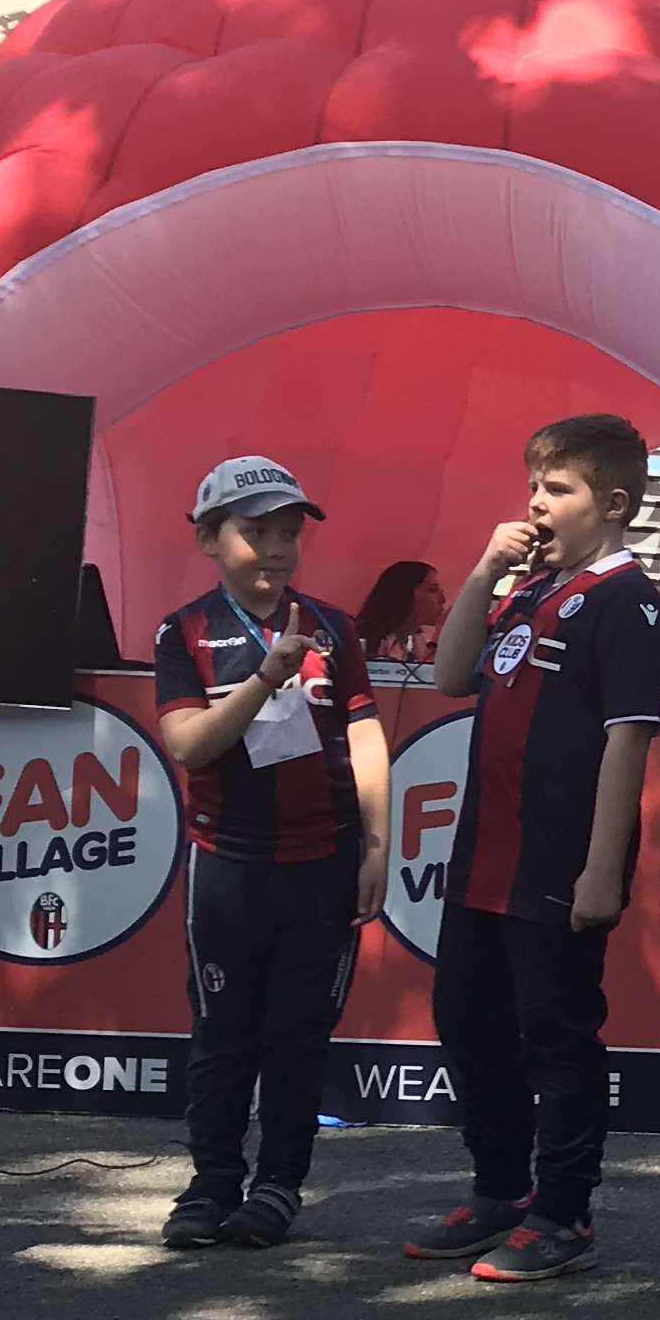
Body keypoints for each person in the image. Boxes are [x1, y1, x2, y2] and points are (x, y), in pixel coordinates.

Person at [406, 414, 660, 1282]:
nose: (536, 504)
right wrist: (485, 570)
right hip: (482, 858)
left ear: (614, 504)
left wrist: (601, 868)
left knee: (557, 1039)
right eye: (533, 487)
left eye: (558, 489)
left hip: (558, 864)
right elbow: (450, 676)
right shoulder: (528, 589)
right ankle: (500, 1190)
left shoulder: (629, 602)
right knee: (469, 1025)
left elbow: (628, 741)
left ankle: (564, 1212)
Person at [150, 454, 389, 1251]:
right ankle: (211, 1182)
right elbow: (189, 745)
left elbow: (364, 734)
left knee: (297, 1035)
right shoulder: (184, 631)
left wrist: (377, 847)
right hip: (228, 865)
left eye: (290, 533)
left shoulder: (333, 626)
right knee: (224, 1034)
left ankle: (279, 1183)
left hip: (323, 863)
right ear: (208, 540)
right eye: (257, 533)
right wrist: (264, 678)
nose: (278, 549)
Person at [352, 558, 445, 678]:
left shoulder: (417, 641)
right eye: (432, 590)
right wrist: (439, 638)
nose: (443, 600)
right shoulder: (371, 638)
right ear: (405, 594)